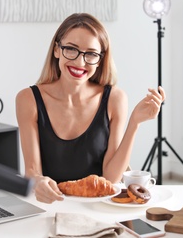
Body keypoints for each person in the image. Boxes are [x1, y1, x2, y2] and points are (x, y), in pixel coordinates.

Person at [16, 13, 165, 204]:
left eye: (91, 54)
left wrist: (134, 123)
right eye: (71, 49)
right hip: (50, 204)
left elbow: (110, 179)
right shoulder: (27, 99)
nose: (80, 62)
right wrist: (39, 181)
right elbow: (32, 171)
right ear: (56, 50)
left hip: (98, 207)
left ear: (101, 59)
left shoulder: (115, 99)